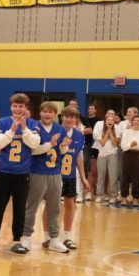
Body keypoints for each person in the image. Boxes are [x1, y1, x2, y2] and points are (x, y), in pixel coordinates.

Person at [0, 94, 39, 255]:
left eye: (21, 106)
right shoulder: (2, 122)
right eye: (15, 106)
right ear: (11, 106)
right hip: (4, 172)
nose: (18, 109)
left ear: (26, 108)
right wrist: (12, 130)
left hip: (22, 174)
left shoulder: (33, 124)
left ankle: (17, 241)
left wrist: (24, 128)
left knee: (20, 208)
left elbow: (34, 143)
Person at [22, 101, 69, 253]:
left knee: (54, 208)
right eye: (45, 111)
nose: (47, 114)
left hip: (55, 173)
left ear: (55, 115)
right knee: (32, 207)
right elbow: (32, 151)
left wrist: (64, 145)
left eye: (51, 112)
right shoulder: (34, 127)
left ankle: (53, 238)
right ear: (40, 113)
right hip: (37, 172)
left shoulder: (60, 128)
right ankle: (26, 237)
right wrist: (51, 143)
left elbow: (62, 152)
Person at [53, 106, 88, 248]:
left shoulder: (79, 135)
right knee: (51, 206)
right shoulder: (55, 131)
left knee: (70, 204)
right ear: (62, 117)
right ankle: (49, 236)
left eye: (72, 117)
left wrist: (83, 177)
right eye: (66, 116)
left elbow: (79, 157)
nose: (69, 119)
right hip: (54, 174)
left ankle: (67, 237)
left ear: (76, 119)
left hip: (70, 175)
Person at [119, 115, 139, 206]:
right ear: (132, 122)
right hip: (127, 155)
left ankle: (135, 198)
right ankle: (124, 197)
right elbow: (123, 145)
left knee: (136, 177)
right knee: (125, 176)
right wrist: (130, 145)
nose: (136, 121)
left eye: (138, 120)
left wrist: (136, 145)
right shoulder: (126, 132)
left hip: (138, 155)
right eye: (134, 120)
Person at [93, 110, 120, 204]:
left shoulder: (117, 129)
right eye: (108, 119)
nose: (110, 121)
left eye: (112, 120)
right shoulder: (100, 130)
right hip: (101, 155)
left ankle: (113, 195)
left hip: (113, 154)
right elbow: (103, 143)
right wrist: (108, 130)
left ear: (114, 121)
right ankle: (99, 195)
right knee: (101, 176)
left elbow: (115, 143)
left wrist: (110, 130)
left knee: (113, 176)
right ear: (105, 120)